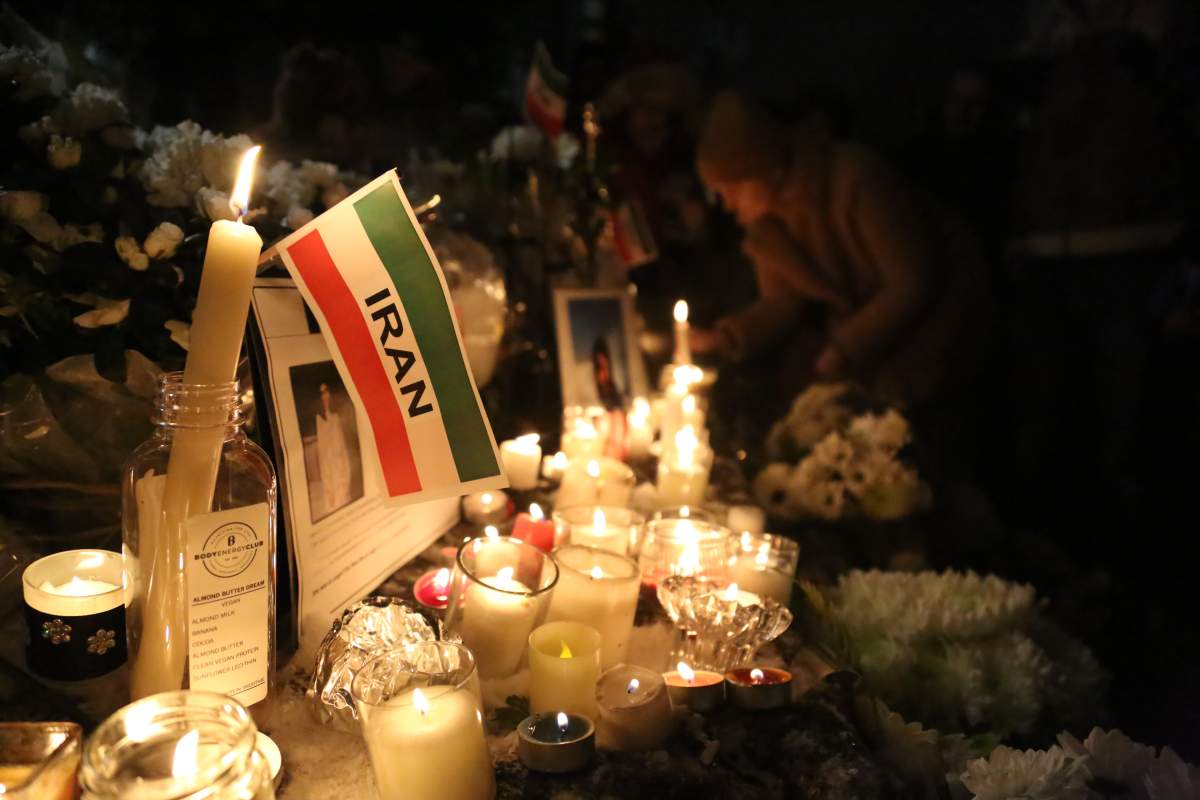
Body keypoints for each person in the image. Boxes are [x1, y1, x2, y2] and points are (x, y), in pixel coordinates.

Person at [689, 91, 990, 416]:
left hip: (937, 322)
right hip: (871, 334)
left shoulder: (856, 178)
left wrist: (845, 346)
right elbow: (781, 301)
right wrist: (723, 338)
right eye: (718, 193)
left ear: (766, 170)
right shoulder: (766, 221)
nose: (728, 204)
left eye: (732, 189)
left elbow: (912, 282)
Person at [315, 382, 352, 515]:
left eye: (327, 391)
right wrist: (329, 489)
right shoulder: (320, 420)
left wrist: (346, 479)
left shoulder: (336, 417)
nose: (325, 395)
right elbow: (323, 456)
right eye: (322, 393)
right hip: (331, 480)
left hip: (342, 475)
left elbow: (343, 451)